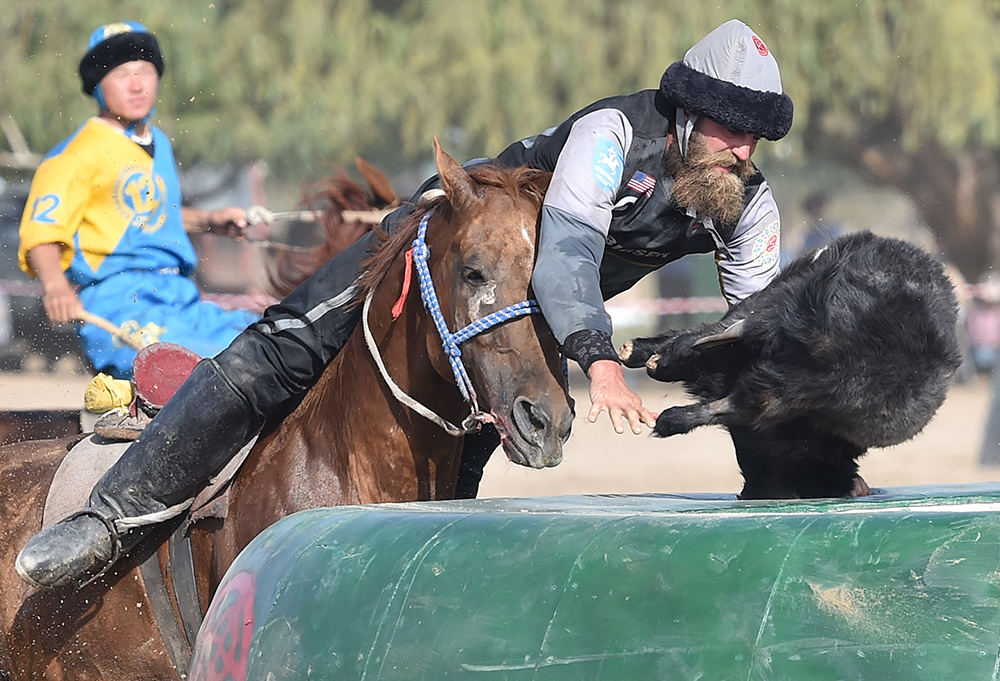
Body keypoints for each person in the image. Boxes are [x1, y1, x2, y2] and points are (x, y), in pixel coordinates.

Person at [17, 19, 794, 589]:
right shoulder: (613, 134)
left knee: (483, 429)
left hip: (524, 310)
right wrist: (598, 360)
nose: (742, 150)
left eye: (755, 137)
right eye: (730, 129)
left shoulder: (746, 202)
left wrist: (783, 477)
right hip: (454, 240)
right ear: (687, 113)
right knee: (286, 341)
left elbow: (756, 340)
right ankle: (107, 518)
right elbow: (566, 259)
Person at [17, 21, 259, 380]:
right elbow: (42, 234)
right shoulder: (74, 156)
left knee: (268, 343)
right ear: (97, 86)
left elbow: (146, 216)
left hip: (181, 298)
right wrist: (56, 287)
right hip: (119, 306)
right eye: (121, 74)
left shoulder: (160, 142)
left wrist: (210, 221)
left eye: (144, 71)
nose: (136, 84)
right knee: (214, 373)